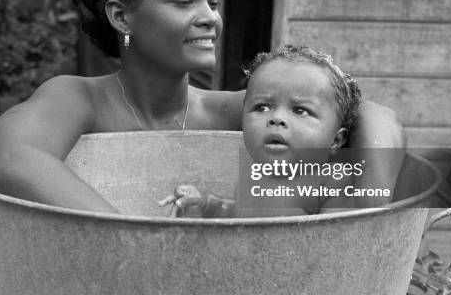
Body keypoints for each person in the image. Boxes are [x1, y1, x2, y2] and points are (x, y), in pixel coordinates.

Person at [0, 0, 405, 213]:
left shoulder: (229, 110)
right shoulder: (78, 100)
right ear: (121, 16)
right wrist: (130, 241)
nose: (210, 17)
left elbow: (372, 114)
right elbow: (14, 160)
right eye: (185, 1)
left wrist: (370, 207)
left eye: (214, 0)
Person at [159, 45, 380, 218]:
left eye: (300, 110)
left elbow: (342, 238)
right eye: (262, 107)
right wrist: (206, 204)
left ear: (336, 140)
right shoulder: (253, 172)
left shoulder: (331, 181)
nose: (276, 118)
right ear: (243, 122)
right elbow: (235, 217)